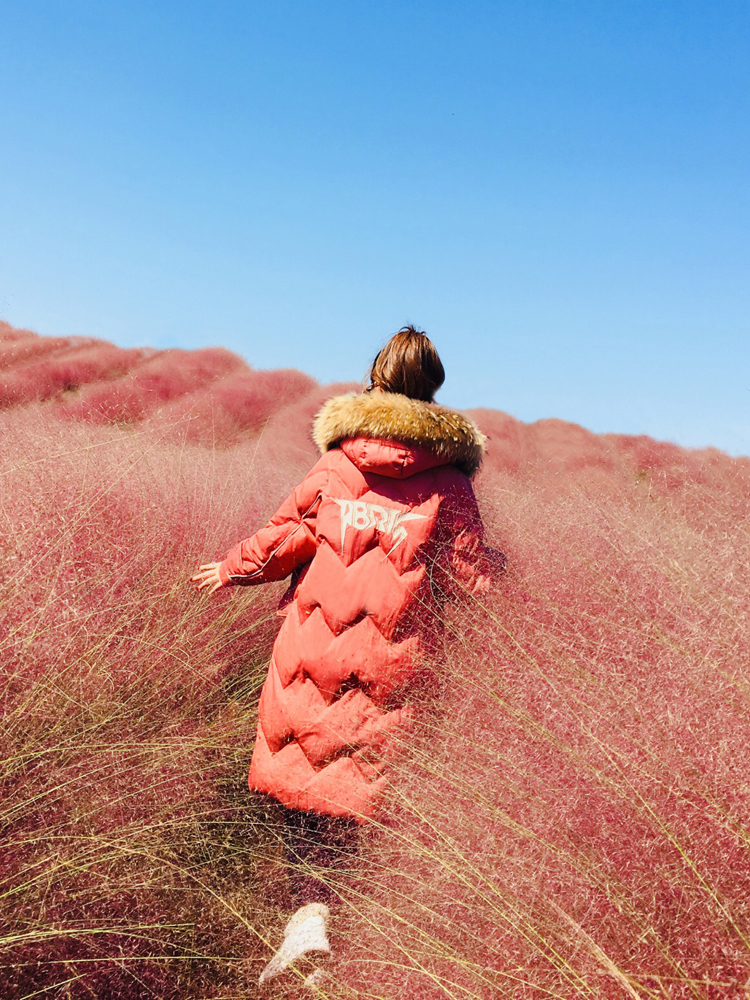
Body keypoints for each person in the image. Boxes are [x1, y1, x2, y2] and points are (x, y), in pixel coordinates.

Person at [192, 326, 500, 987]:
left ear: (375, 379)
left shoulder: (338, 465)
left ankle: (309, 921)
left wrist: (230, 568)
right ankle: (333, 929)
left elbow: (286, 538)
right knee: (363, 793)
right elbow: (476, 579)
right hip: (393, 667)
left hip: (310, 654)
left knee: (307, 782)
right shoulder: (448, 481)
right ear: (434, 391)